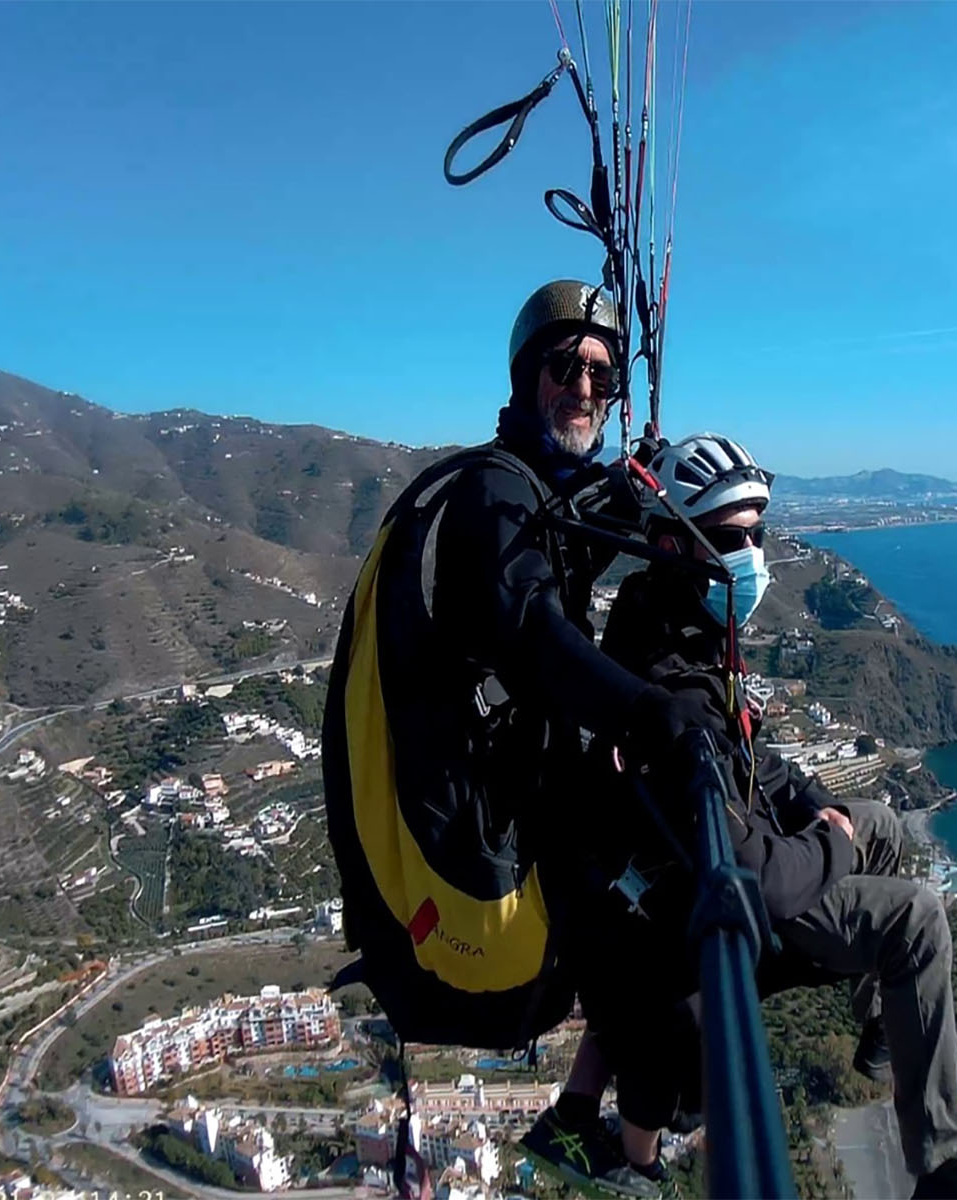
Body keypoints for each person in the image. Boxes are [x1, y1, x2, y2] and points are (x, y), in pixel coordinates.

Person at [605, 433, 957, 1200]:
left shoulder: (669, 616)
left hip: (751, 840)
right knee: (917, 921)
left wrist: (816, 803)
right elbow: (754, 877)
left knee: (880, 818)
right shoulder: (674, 696)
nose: (751, 553)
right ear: (669, 545)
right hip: (727, 898)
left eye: (756, 534)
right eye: (729, 538)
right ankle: (946, 1167)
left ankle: (883, 1023)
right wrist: (831, 845)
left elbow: (752, 753)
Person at [422, 281, 723, 1197]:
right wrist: (645, 709)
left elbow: (596, 531)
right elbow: (536, 636)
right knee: (668, 979)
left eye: (601, 370)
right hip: (511, 816)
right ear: (525, 379)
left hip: (547, 795)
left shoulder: (543, 494)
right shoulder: (493, 494)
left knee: (636, 943)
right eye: (566, 367)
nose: (586, 386)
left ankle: (576, 1117)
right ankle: (632, 1147)